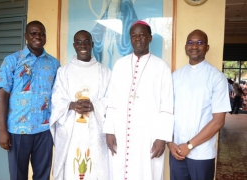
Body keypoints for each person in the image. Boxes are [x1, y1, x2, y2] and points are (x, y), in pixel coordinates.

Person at [104, 20, 174, 180]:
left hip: (148, 133)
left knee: (147, 171)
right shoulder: (120, 65)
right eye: (134, 36)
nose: (138, 39)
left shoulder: (161, 67)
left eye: (142, 35)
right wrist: (109, 130)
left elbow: (167, 104)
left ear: (149, 38)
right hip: (120, 130)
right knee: (119, 169)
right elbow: (111, 100)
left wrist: (162, 137)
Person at [0, 20, 60, 180]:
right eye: (34, 33)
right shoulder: (12, 60)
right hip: (18, 130)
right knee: (18, 175)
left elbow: (59, 96)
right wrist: (2, 130)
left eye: (42, 33)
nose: (38, 36)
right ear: (26, 36)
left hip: (45, 130)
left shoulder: (54, 64)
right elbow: (2, 96)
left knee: (43, 175)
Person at [168, 29, 231, 180]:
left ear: (207, 47)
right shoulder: (175, 76)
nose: (194, 46)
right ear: (185, 47)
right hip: (176, 151)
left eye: (199, 42)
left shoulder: (216, 77)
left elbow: (218, 121)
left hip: (202, 154)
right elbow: (167, 112)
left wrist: (189, 145)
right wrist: (170, 142)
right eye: (190, 42)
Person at [49, 30, 111, 180]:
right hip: (71, 130)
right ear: (74, 46)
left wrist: (94, 106)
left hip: (96, 130)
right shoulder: (63, 72)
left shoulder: (105, 72)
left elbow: (111, 99)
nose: (82, 45)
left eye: (86, 42)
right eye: (78, 42)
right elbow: (56, 98)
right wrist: (71, 105)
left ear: (92, 44)